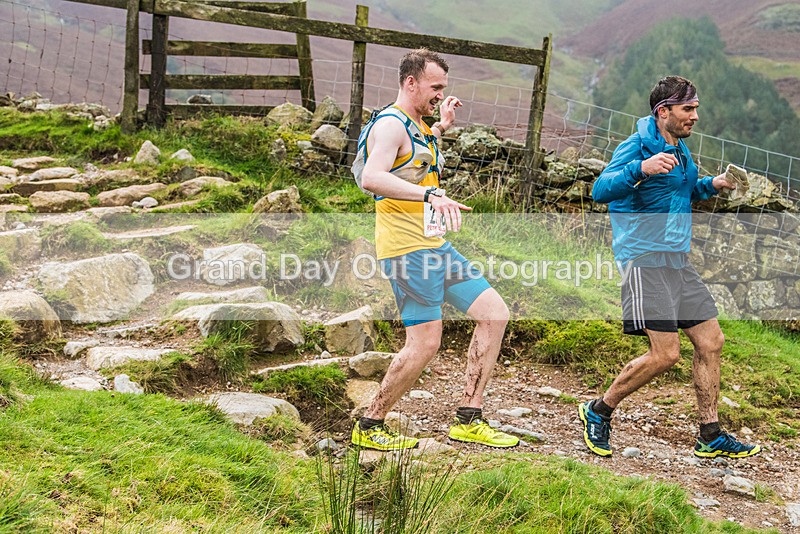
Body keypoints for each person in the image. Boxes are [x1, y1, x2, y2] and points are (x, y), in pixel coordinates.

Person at [581, 75, 761, 459]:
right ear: (664, 112)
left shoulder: (679, 149)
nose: (695, 116)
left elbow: (684, 189)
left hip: (677, 260)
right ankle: (598, 410)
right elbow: (599, 190)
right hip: (644, 260)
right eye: (688, 109)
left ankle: (710, 434)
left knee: (711, 341)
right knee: (665, 355)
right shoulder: (636, 146)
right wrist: (641, 169)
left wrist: (714, 183)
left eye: (695, 108)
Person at [350, 48, 517, 451]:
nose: (441, 93)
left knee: (494, 315)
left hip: (435, 246)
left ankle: (468, 418)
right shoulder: (389, 125)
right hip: (407, 251)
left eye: (443, 87)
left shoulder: (417, 123)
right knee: (424, 343)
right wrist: (431, 197)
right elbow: (372, 178)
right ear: (411, 82)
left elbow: (416, 159)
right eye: (435, 87)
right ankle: (370, 423)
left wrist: (441, 126)